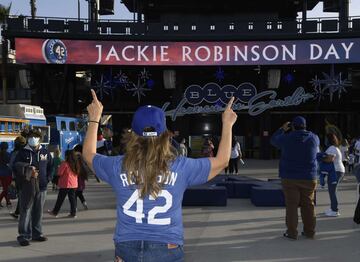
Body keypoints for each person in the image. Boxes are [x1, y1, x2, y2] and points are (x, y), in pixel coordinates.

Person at [82, 90, 237, 261]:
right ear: (165, 134)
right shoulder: (181, 167)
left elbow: (88, 154)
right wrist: (227, 124)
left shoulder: (117, 166)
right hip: (167, 247)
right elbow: (222, 160)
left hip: (127, 246)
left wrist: (94, 118)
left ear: (132, 133)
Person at [270, 116, 319, 240]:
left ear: (292, 126)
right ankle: (310, 232)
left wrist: (282, 129)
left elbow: (273, 141)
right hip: (309, 177)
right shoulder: (314, 138)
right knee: (308, 205)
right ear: (305, 126)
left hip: (290, 177)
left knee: (292, 206)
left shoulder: (286, 138)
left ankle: (292, 233)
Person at [14, 128, 53, 246]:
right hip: (26, 187)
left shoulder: (45, 152)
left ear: (40, 139)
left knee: (38, 211)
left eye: (35, 137)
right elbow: (15, 167)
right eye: (30, 137)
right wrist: (27, 170)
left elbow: (51, 167)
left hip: (42, 187)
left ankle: (37, 234)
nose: (32, 139)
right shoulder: (22, 152)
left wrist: (48, 179)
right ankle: (23, 236)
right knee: (25, 211)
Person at [48, 150, 79, 218]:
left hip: (65, 184)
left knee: (60, 199)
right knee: (72, 199)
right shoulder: (76, 164)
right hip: (74, 184)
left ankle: (55, 212)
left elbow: (59, 173)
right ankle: (73, 213)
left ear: (67, 156)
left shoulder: (65, 163)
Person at [322, 133, 345, 217]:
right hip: (337, 170)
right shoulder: (335, 147)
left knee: (332, 191)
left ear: (329, 140)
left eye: (326, 139)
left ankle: (335, 210)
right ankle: (332, 208)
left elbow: (330, 159)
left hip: (336, 171)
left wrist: (321, 158)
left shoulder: (331, 148)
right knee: (332, 190)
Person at [9, 135, 27, 219]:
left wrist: (12, 178)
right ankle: (18, 212)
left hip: (18, 177)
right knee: (24, 195)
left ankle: (20, 213)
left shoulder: (15, 153)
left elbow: (12, 166)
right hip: (27, 176)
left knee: (21, 195)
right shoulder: (27, 151)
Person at [0, 142, 12, 208]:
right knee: (6, 189)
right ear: (7, 147)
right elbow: (10, 163)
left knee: (5, 188)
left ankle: (8, 201)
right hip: (7, 174)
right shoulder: (8, 154)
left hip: (1, 174)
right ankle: (6, 201)